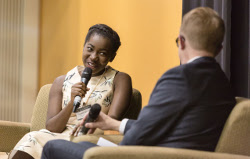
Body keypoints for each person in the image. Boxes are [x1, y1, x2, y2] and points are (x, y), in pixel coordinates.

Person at [41, 7, 236, 159]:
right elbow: (158, 127)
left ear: (182, 42)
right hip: (178, 153)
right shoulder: (224, 85)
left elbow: (138, 138)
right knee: (82, 145)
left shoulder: (178, 79)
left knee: (52, 147)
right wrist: (114, 124)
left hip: (149, 155)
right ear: (219, 48)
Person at [9, 24, 132, 159]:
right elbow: (52, 128)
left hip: (92, 138)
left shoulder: (120, 79)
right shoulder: (61, 81)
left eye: (102, 53)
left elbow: (112, 122)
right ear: (83, 47)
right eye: (90, 49)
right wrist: (72, 102)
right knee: (32, 138)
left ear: (112, 56)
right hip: (60, 135)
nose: (94, 57)